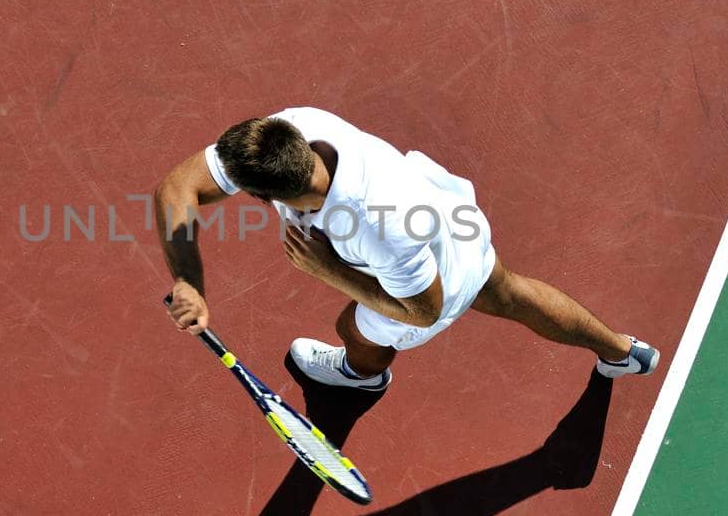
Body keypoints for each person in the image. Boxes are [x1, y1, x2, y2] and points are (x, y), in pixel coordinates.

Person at [153, 107, 659, 391]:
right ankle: (621, 351)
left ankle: (361, 375)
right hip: (450, 218)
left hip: (423, 282)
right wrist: (188, 283)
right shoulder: (295, 128)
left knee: (353, 327)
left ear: (263, 197)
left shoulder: (374, 229)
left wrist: (327, 269)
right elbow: (177, 187)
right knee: (509, 293)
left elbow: (422, 312)